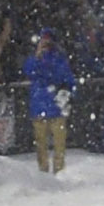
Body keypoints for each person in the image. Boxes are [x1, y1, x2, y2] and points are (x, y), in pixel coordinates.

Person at [23, 30, 76, 174]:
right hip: (40, 106)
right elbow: (29, 71)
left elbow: (66, 78)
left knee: (59, 145)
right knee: (41, 145)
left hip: (55, 107)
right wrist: (38, 57)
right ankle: (44, 172)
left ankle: (59, 172)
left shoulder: (59, 59)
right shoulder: (35, 59)